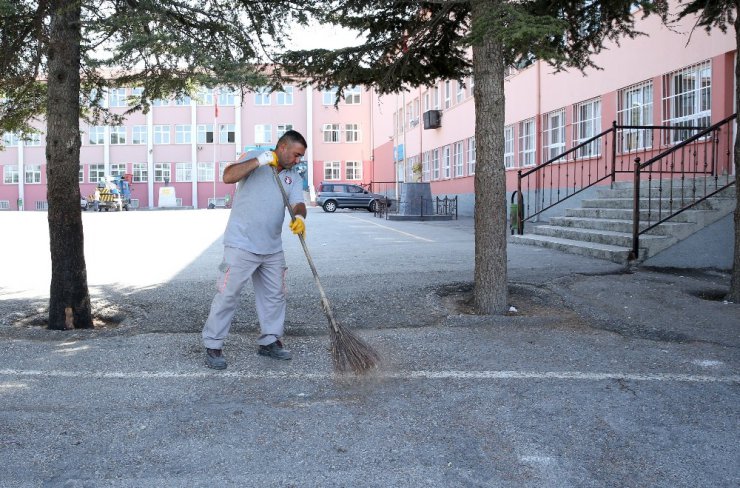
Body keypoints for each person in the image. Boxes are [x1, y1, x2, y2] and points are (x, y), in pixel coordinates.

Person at [202, 130, 308, 370]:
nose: (298, 160)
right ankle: (213, 344)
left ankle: (270, 341)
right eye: (296, 154)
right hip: (241, 244)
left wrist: (300, 216)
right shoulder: (254, 157)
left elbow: (297, 202)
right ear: (282, 148)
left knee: (275, 295)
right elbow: (228, 176)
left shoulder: (293, 176)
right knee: (227, 294)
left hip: (272, 247)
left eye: (300, 156)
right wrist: (260, 161)